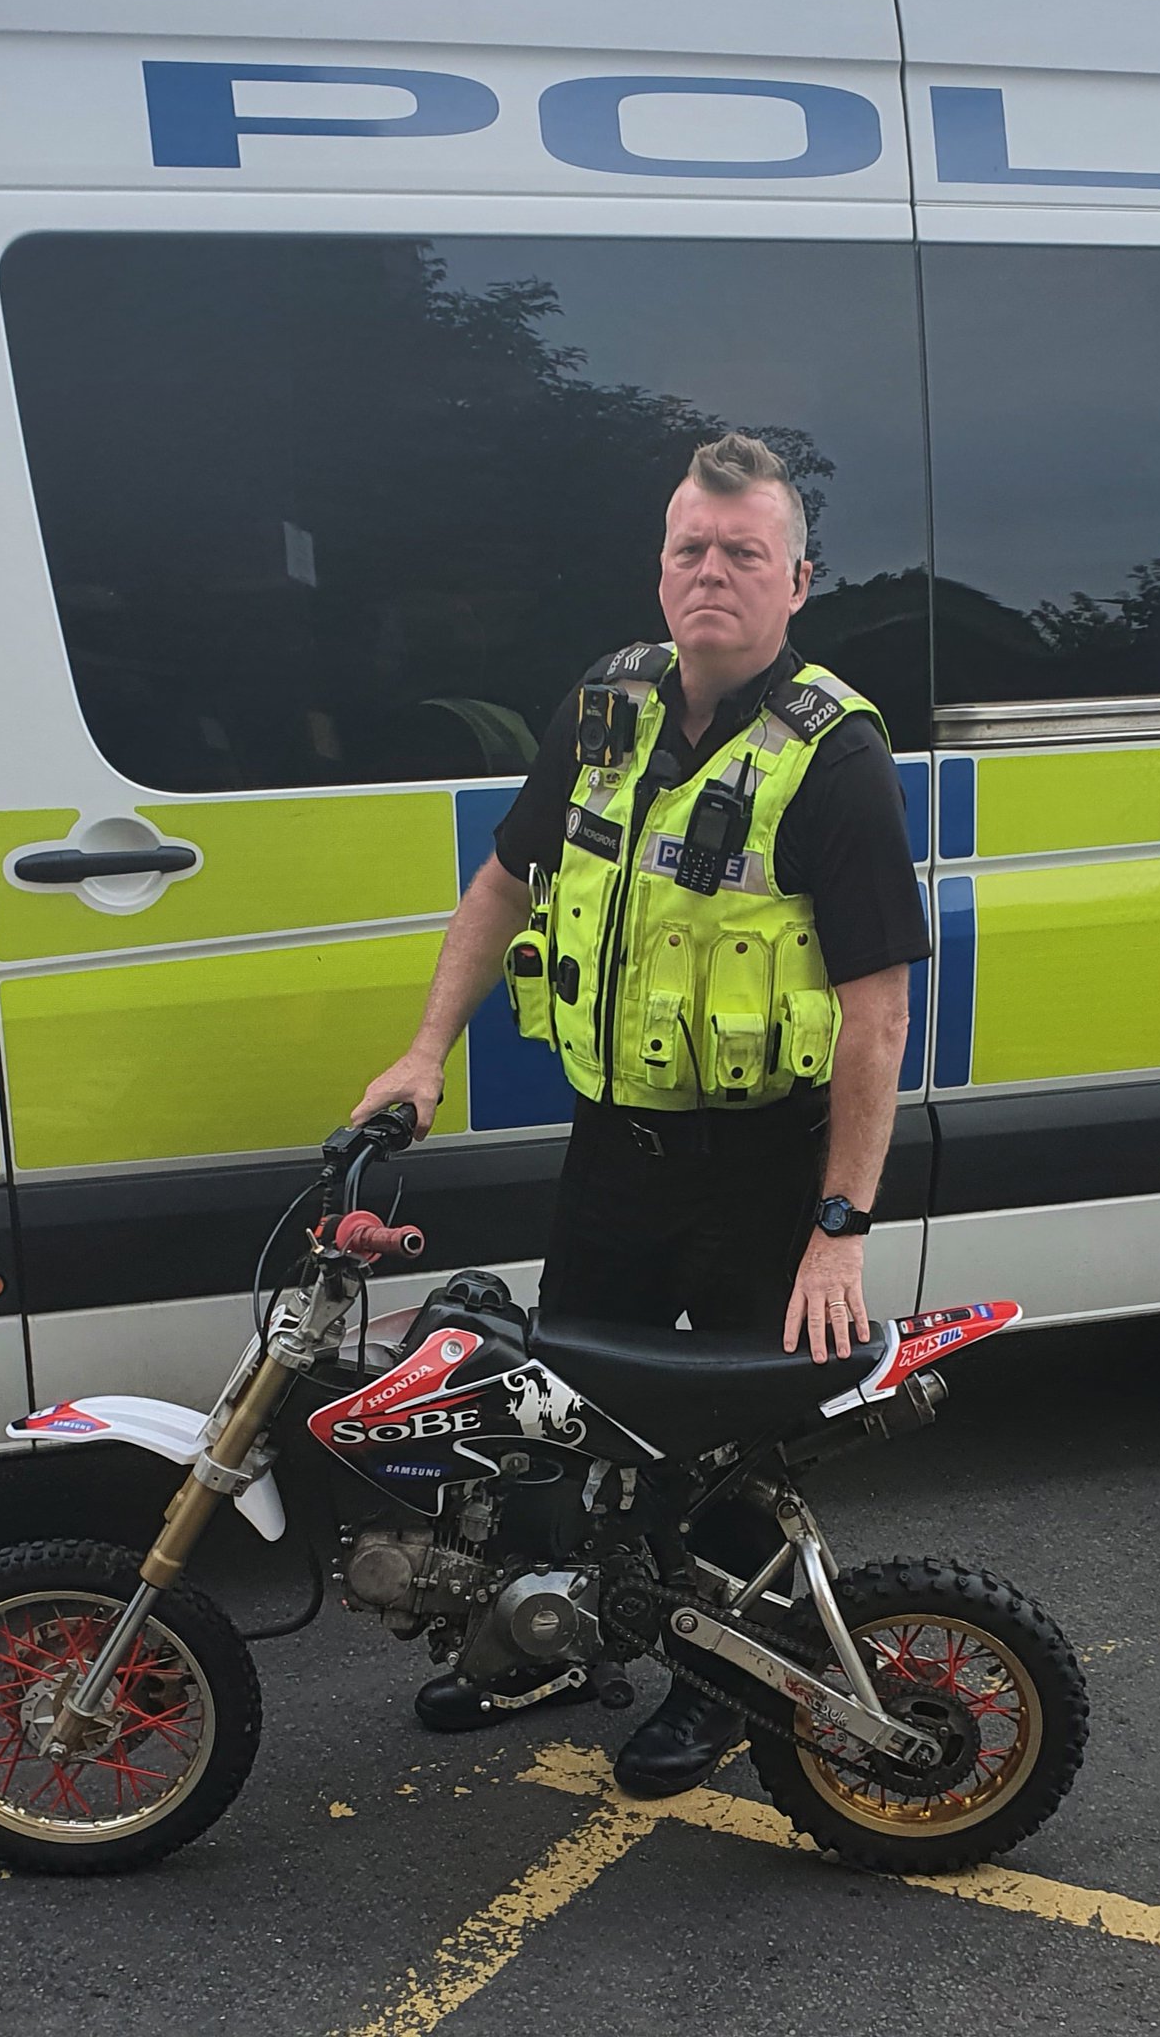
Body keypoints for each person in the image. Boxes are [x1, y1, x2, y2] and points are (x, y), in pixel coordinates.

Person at [353, 431, 931, 1797]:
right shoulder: (602, 709)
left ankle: (723, 1688)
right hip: (616, 1148)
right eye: (691, 549)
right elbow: (504, 883)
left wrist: (840, 1229)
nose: (712, 572)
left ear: (796, 580)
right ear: (661, 569)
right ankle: (552, 1647)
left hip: (762, 1166)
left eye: (744, 553)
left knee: (725, 1454)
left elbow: (876, 1016)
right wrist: (423, 1054)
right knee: (560, 1418)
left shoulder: (833, 756)